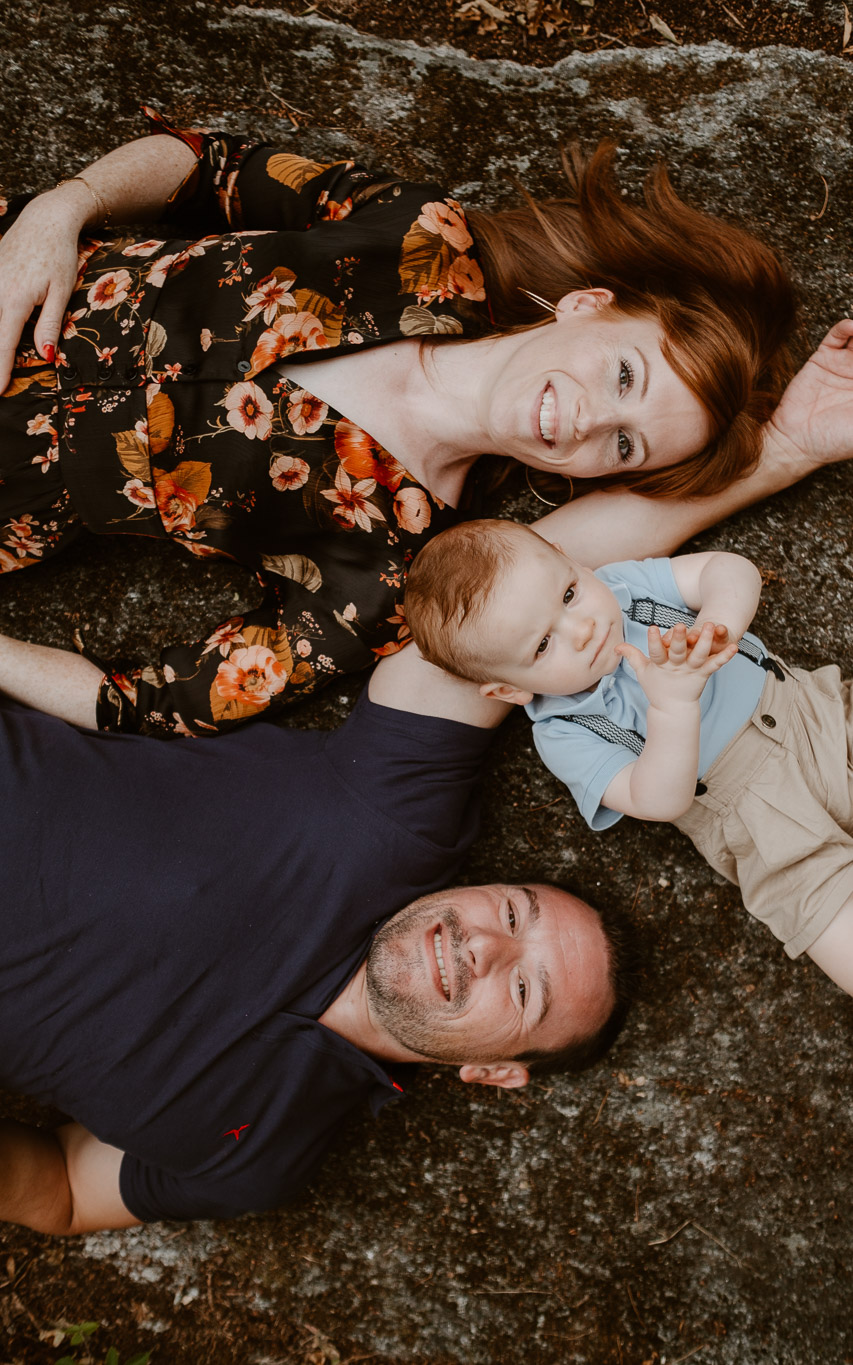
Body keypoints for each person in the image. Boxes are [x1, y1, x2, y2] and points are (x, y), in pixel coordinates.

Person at [1, 106, 850, 736]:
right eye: (622, 372)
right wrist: (60, 209)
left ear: (598, 476)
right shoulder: (420, 237)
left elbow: (153, 703)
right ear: (586, 306)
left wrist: (784, 450)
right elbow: (203, 162)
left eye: (623, 445)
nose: (590, 419)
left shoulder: (389, 566)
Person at [0, 632, 637, 1235]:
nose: (486, 947)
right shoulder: (396, 815)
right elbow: (496, 603)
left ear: (494, 1072)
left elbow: (64, 1190)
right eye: (510, 914)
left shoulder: (260, 1160)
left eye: (526, 990)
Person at [404, 518, 853, 996]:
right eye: (541, 645)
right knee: (825, 916)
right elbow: (658, 800)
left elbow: (728, 570)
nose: (581, 629)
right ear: (509, 690)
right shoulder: (563, 735)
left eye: (569, 594)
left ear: (571, 560)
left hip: (817, 714)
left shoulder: (626, 585)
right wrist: (673, 706)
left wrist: (716, 626)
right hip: (763, 828)